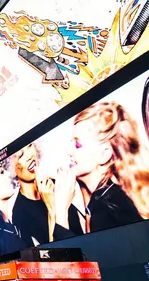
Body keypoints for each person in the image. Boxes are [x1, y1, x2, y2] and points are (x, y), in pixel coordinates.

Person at [52, 101, 149, 237]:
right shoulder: (114, 196)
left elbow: (87, 258)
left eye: (78, 144)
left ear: (104, 155)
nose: (68, 150)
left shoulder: (107, 212)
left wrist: (60, 210)